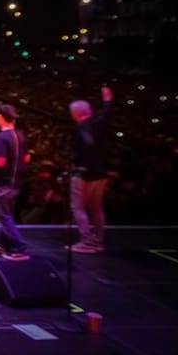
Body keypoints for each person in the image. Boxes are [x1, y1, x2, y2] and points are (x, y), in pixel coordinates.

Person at [68, 86, 113, 254]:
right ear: (90, 110)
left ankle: (86, 242)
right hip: (101, 172)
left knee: (78, 207)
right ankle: (99, 241)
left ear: (74, 114)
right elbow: (107, 116)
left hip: (85, 173)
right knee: (96, 208)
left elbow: (89, 145)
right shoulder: (99, 123)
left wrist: (82, 165)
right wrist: (107, 101)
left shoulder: (81, 128)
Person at [0, 104, 31, 261]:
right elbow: (27, 158)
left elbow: (0, 162)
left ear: (0, 116)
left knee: (4, 217)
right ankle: (4, 245)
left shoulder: (1, 137)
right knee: (7, 215)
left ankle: (19, 248)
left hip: (3, 183)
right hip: (16, 182)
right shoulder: (21, 135)